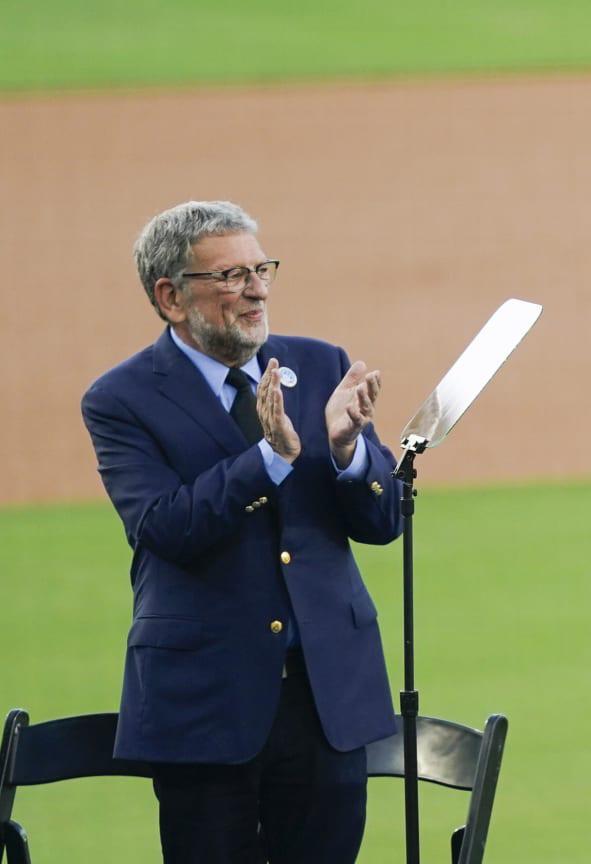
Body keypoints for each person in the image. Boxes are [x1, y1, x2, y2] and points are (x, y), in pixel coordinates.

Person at [81, 201, 402, 863]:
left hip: (326, 700)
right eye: (229, 276)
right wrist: (270, 459)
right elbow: (167, 526)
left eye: (261, 269)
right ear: (171, 297)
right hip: (204, 706)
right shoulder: (120, 400)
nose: (256, 288)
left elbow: (382, 520)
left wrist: (348, 454)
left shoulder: (320, 365)